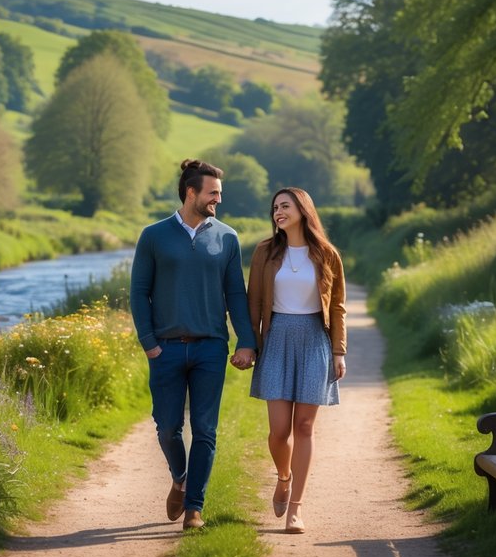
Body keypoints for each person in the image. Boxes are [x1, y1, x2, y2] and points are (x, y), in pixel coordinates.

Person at [130, 159, 257, 530]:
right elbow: (139, 293)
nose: (218, 199)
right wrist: (149, 343)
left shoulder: (228, 237)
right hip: (165, 349)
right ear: (191, 193)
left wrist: (245, 341)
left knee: (205, 429)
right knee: (167, 427)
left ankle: (194, 509)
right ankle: (181, 479)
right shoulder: (154, 236)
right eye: (213, 193)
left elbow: (236, 293)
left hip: (210, 349)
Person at [231, 187, 346, 534]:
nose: (278, 212)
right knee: (279, 432)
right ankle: (284, 477)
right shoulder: (265, 252)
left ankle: (296, 508)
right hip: (278, 338)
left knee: (305, 428)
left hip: (314, 340)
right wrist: (248, 344)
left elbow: (337, 306)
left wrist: (339, 350)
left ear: (302, 209)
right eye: (275, 208)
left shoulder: (326, 254)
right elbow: (253, 305)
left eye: (285, 206)